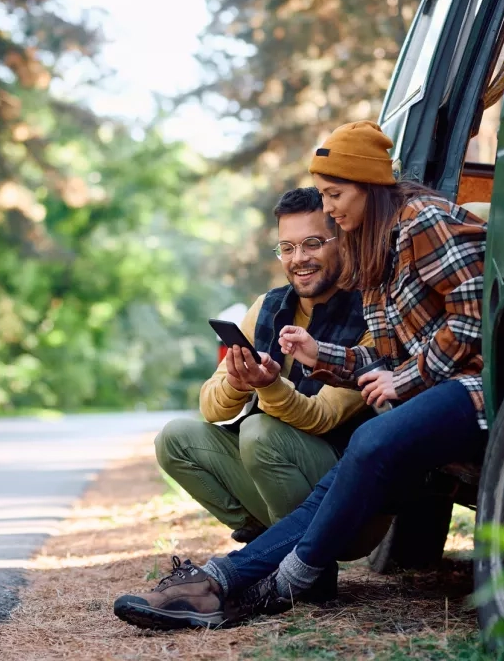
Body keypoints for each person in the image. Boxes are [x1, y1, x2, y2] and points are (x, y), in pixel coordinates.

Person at [112, 120, 489, 631]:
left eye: (336, 194)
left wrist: (405, 378)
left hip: (476, 386)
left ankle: (252, 583)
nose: (330, 206)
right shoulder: (373, 252)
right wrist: (321, 354)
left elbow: (475, 317)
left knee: (365, 441)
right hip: (434, 396)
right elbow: (376, 358)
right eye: (288, 246)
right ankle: (231, 579)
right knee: (332, 473)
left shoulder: (422, 219)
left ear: (369, 187)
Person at [156, 187, 373, 551]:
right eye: (286, 248)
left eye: (312, 244)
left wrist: (270, 386)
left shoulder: (370, 312)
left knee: (259, 430)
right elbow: (210, 406)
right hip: (275, 475)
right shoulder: (267, 306)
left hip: (347, 494)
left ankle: (306, 564)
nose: (298, 258)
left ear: (343, 241)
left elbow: (322, 417)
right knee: (174, 438)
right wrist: (238, 383)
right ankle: (266, 542)